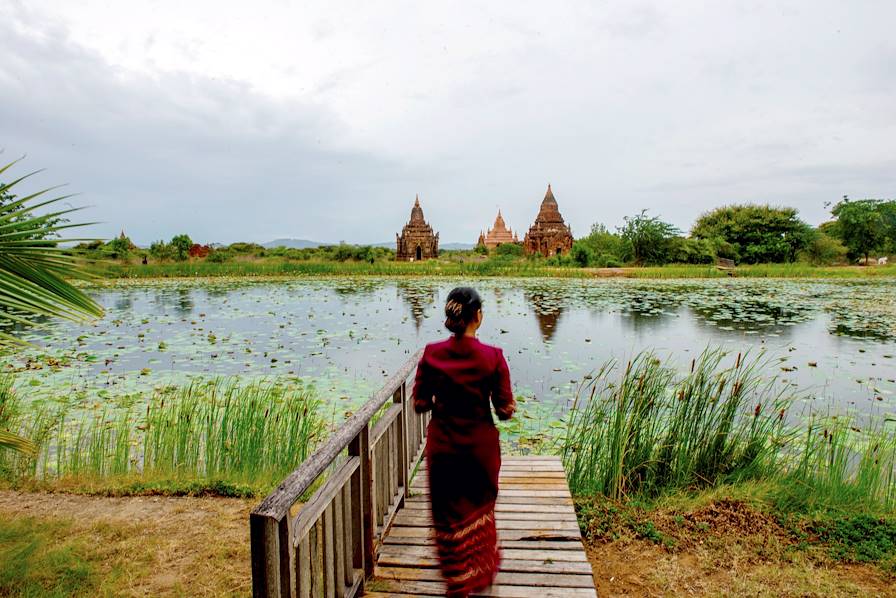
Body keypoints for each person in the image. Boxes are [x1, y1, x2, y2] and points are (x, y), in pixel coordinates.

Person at [412, 286, 516, 597]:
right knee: (479, 512)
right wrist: (507, 407)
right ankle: (480, 579)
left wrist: (439, 401)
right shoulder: (493, 357)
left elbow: (419, 402)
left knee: (448, 516)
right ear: (478, 317)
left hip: (444, 448)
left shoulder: (432, 354)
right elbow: (504, 410)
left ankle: (457, 582)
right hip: (479, 451)